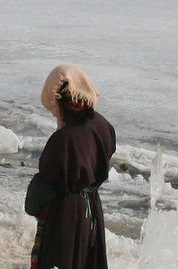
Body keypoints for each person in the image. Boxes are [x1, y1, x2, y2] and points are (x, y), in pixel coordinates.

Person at [26, 64, 116, 269]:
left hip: (66, 214)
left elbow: (42, 190)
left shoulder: (63, 140)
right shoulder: (102, 125)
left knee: (63, 260)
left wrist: (32, 205)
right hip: (91, 208)